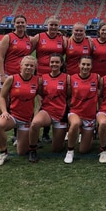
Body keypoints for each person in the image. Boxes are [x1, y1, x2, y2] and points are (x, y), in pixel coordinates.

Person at [0, 14, 32, 147]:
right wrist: (2, 75)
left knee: (18, 105)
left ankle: (17, 135)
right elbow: (0, 57)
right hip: (7, 75)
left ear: (26, 24)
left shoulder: (28, 39)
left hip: (20, 77)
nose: (20, 25)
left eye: (23, 22)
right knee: (3, 104)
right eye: (18, 23)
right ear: (14, 24)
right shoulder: (8, 37)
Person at [0, 55, 38, 166]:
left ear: (35, 68)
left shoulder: (38, 81)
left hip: (26, 120)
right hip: (13, 116)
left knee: (21, 152)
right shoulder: (12, 79)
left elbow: (41, 99)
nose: (28, 67)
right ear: (21, 66)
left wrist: (36, 116)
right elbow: (2, 97)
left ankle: (21, 138)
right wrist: (4, 111)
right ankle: (3, 153)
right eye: (26, 65)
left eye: (31, 66)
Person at [27, 54, 70, 163]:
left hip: (61, 113)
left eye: (57, 62)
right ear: (49, 63)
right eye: (52, 62)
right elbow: (40, 94)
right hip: (47, 111)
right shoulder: (43, 78)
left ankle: (61, 138)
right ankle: (33, 149)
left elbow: (69, 96)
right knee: (35, 123)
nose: (54, 64)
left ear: (61, 64)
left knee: (56, 149)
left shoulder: (67, 78)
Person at [31, 15, 67, 144]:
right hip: (41, 76)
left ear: (59, 26)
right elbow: (27, 52)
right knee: (41, 104)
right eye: (51, 24)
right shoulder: (39, 37)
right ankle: (35, 134)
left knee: (53, 104)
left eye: (55, 25)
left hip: (57, 76)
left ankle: (46, 134)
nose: (53, 27)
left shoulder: (62, 39)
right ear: (47, 25)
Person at [64, 56, 102, 164]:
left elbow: (100, 95)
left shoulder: (97, 77)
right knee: (75, 123)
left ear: (91, 66)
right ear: (79, 65)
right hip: (75, 112)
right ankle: (70, 151)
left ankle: (85, 134)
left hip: (89, 115)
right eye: (83, 64)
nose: (85, 67)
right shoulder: (71, 78)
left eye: (88, 65)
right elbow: (68, 95)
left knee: (83, 150)